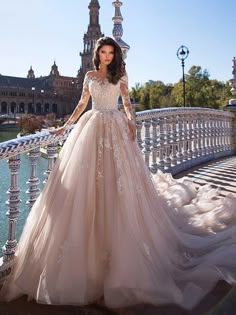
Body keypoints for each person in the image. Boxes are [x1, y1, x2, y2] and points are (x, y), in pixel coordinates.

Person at [1, 36, 236, 310]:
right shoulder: (89, 75)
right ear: (97, 53)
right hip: (89, 129)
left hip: (114, 129)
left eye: (111, 53)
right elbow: (81, 105)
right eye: (104, 52)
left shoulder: (120, 74)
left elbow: (126, 102)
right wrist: (64, 128)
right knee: (83, 186)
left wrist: (132, 123)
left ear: (115, 56)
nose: (107, 56)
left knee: (116, 184)